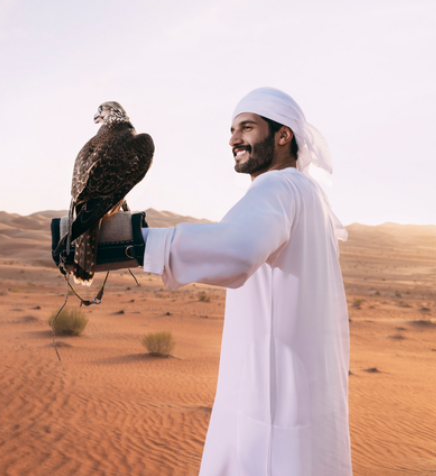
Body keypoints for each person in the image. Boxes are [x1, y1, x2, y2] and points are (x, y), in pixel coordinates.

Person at [142, 87, 352, 475]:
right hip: (303, 401)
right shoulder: (313, 200)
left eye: (247, 127)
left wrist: (135, 245)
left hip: (270, 404)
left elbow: (238, 250)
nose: (233, 139)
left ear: (283, 135)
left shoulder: (278, 186)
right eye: (233, 129)